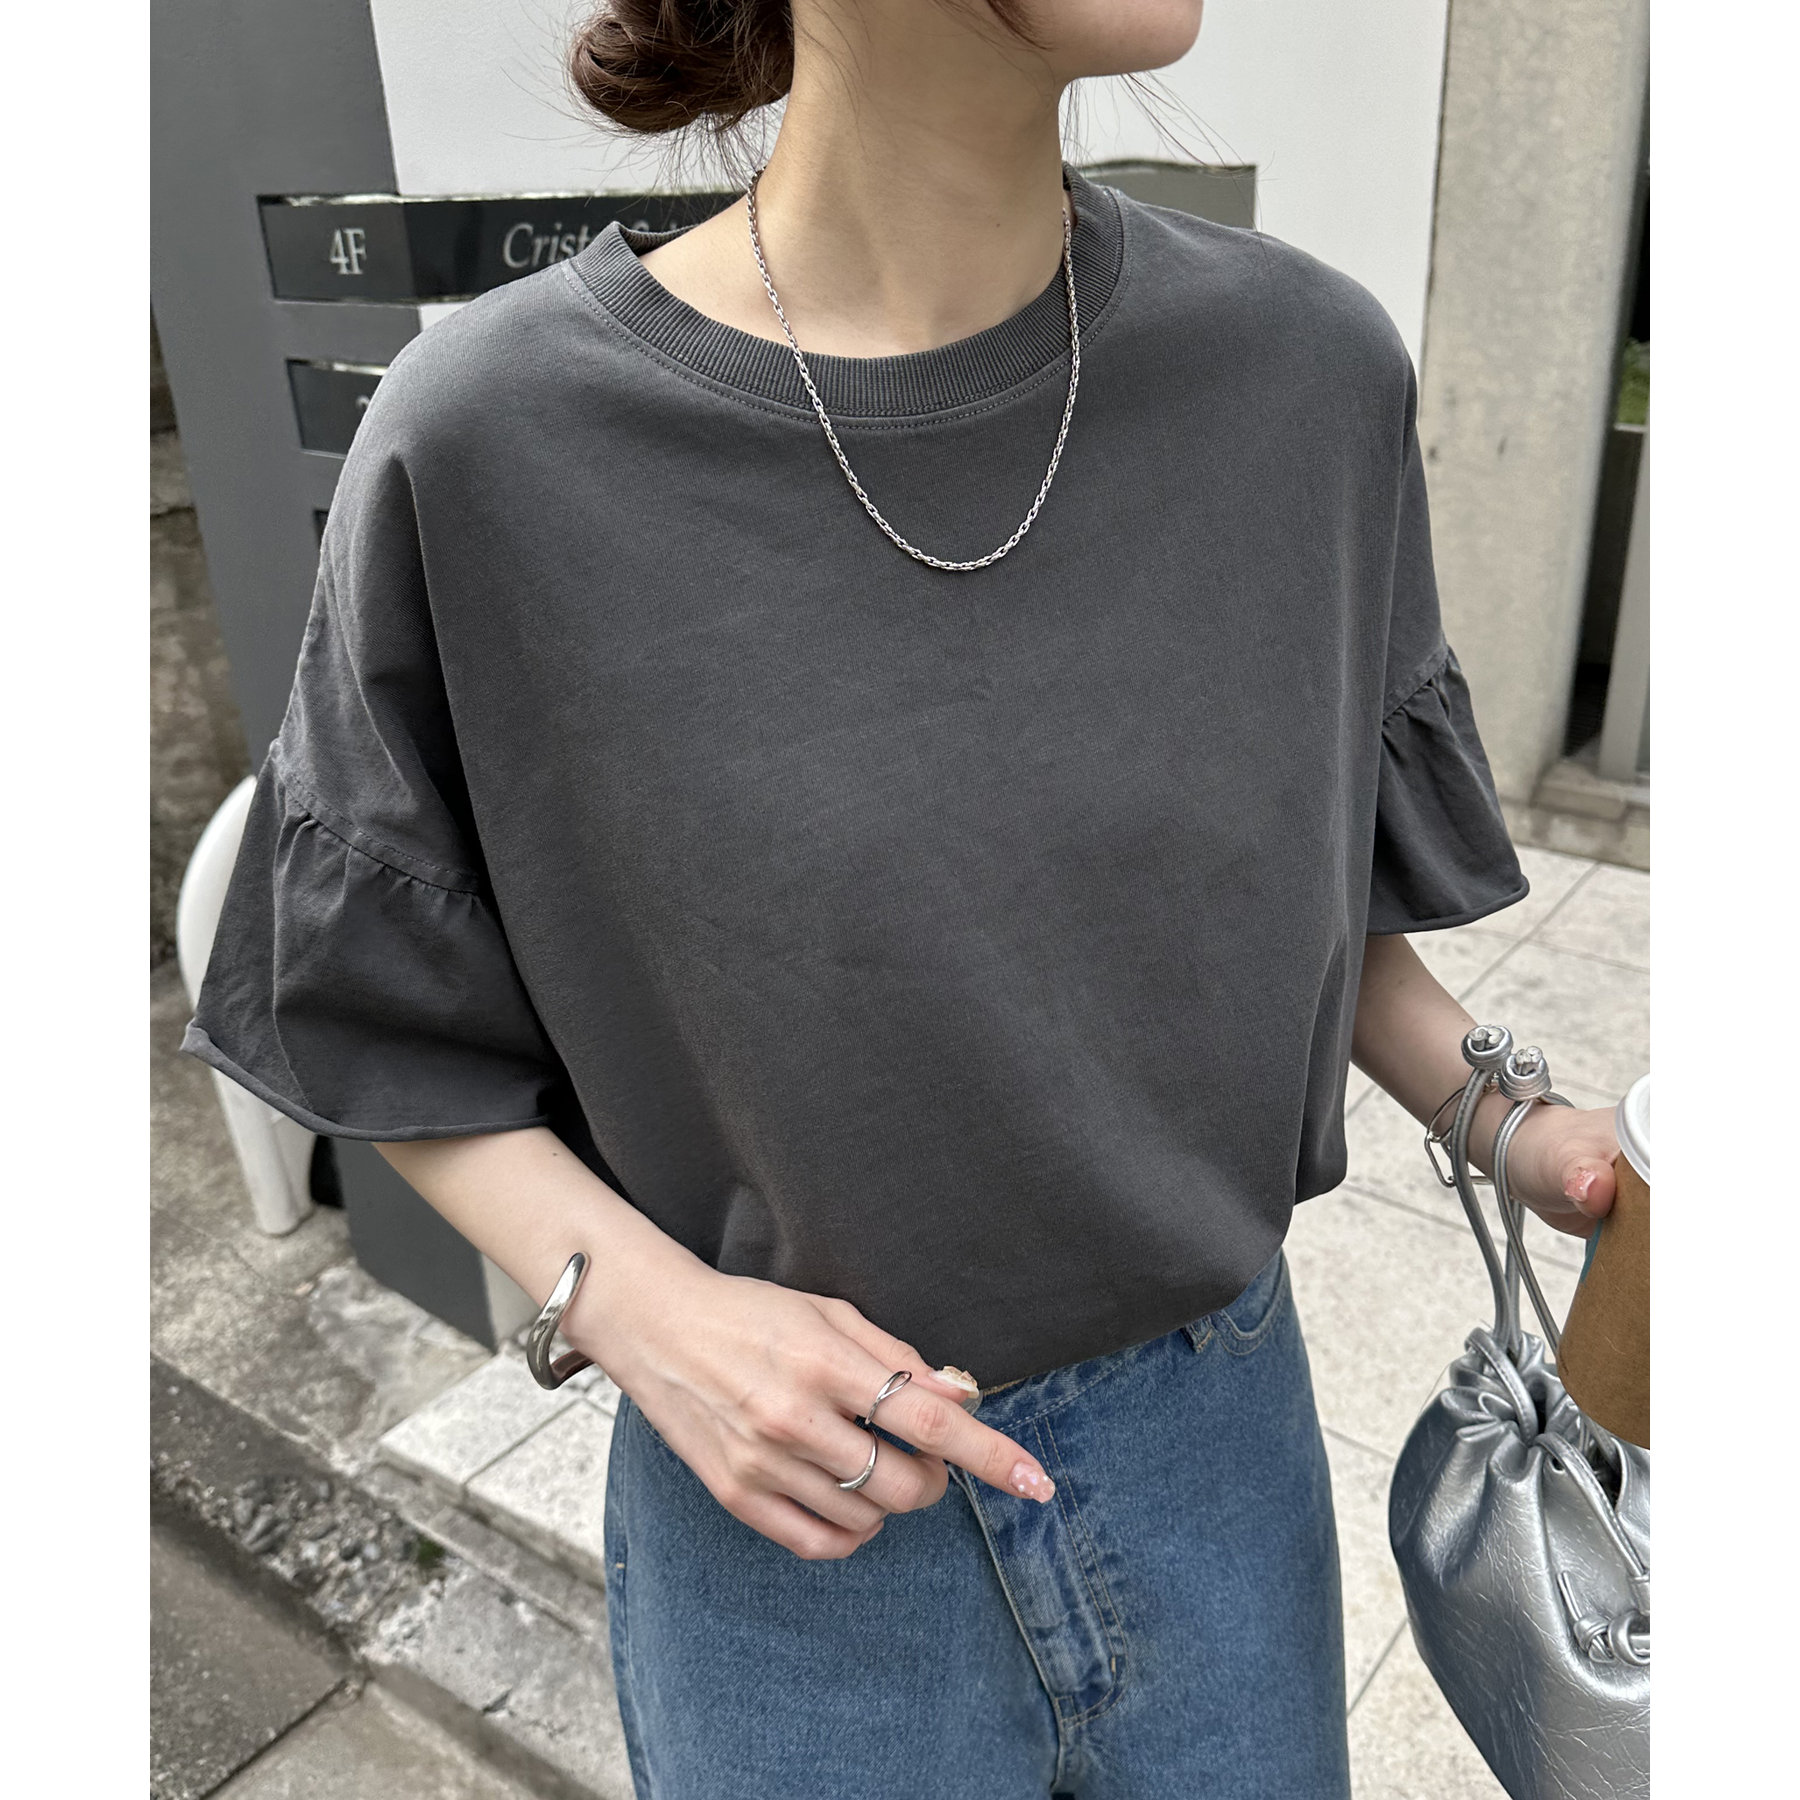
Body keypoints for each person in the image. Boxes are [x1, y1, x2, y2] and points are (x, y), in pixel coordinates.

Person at [183, 1, 1623, 1793]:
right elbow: (374, 1020)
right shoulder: (492, 442)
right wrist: (646, 1318)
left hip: (1219, 1464)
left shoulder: (1306, 375)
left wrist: (1534, 1135)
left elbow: (1297, 907)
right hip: (800, 1540)